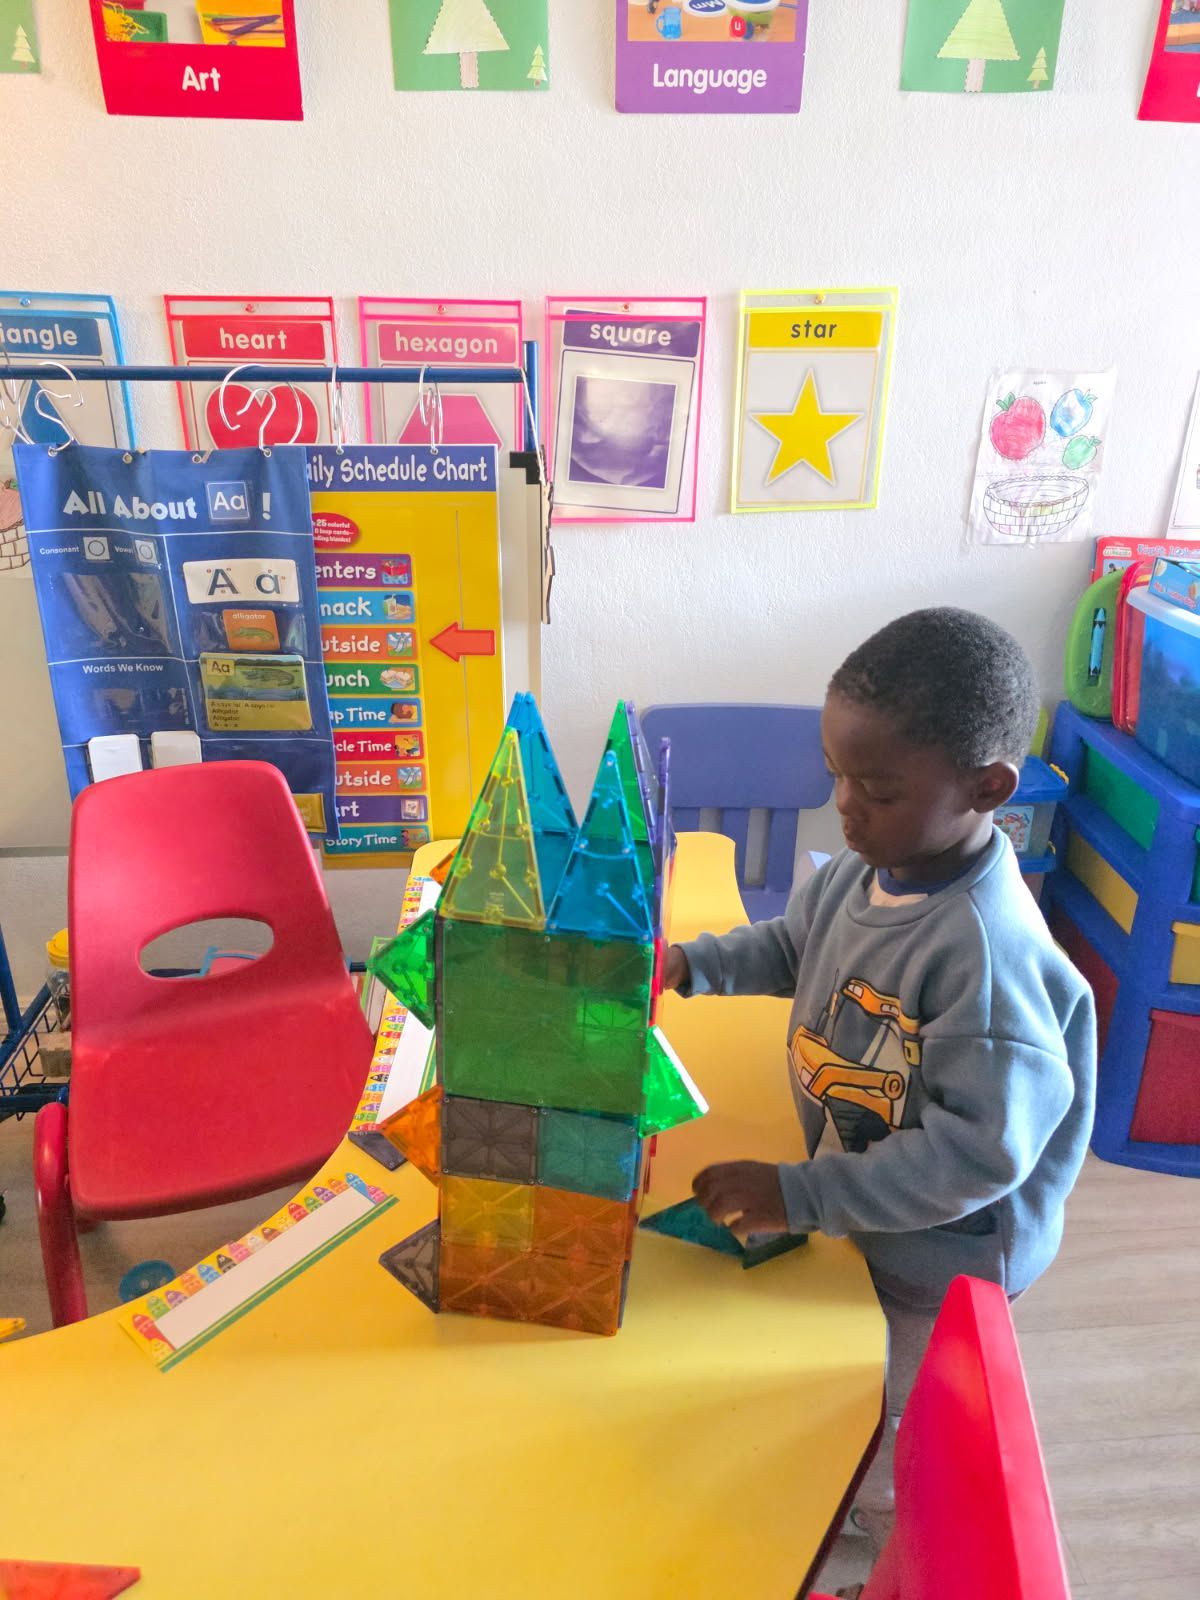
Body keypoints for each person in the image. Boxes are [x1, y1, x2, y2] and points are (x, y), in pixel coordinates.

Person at [663, 608, 1096, 1593]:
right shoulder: (872, 860)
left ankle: (867, 1558)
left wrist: (803, 1195)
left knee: (890, 1430)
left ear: (988, 789)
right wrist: (691, 964)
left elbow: (976, 1157)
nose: (846, 807)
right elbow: (790, 945)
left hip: (945, 1256)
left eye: (879, 788)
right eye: (837, 775)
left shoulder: (984, 956)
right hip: (868, 1198)